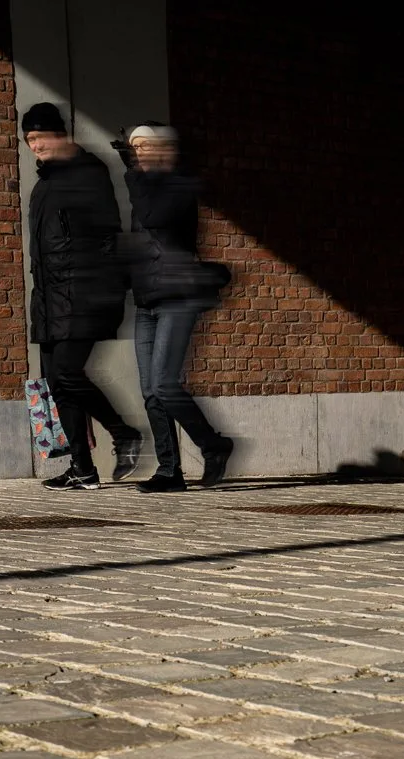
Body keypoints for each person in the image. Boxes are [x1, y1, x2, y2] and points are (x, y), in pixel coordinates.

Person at [20, 102, 142, 490]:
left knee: (68, 374)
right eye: (29, 139)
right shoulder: (42, 186)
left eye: (41, 136)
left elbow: (108, 234)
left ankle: (124, 433)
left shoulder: (88, 172)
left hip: (83, 293)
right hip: (50, 299)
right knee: (58, 383)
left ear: (60, 134)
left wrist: (110, 288)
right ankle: (83, 468)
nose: (35, 145)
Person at [118, 123, 233, 491]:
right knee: (150, 391)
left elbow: (155, 218)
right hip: (147, 301)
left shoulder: (178, 184)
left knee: (165, 385)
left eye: (144, 146)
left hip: (177, 298)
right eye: (134, 147)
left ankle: (213, 445)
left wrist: (133, 177)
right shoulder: (144, 188)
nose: (138, 153)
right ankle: (169, 472)